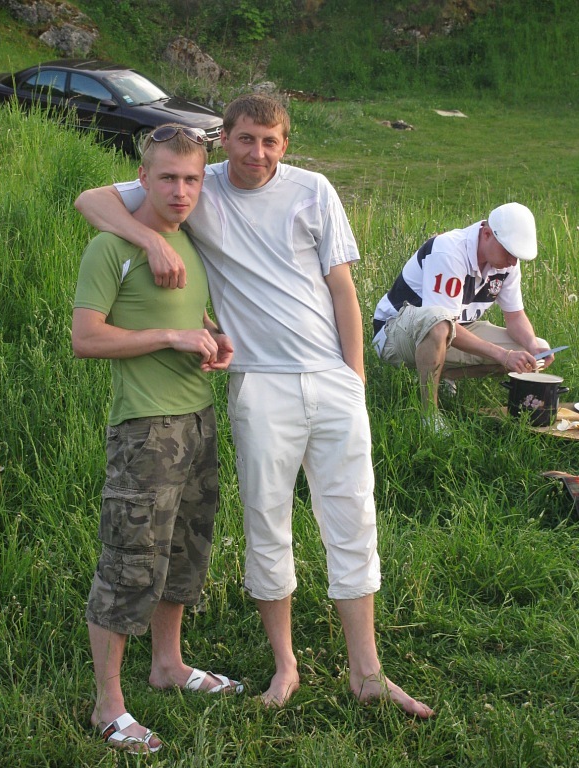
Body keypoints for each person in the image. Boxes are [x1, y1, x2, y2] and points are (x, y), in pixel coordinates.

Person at [75, 94, 434, 718]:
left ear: (285, 144)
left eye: (270, 141)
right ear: (225, 139)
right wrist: (151, 242)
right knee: (266, 523)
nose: (257, 153)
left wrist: (353, 378)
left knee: (354, 517)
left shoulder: (313, 190)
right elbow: (90, 200)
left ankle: (367, 670)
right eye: (245, 139)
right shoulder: (198, 185)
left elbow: (342, 289)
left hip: (330, 378)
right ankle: (284, 665)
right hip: (261, 385)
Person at [72, 124, 241, 755]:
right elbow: (86, 338)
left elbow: (182, 316)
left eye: (192, 179)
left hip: (197, 420)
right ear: (141, 177)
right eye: (167, 177)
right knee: (129, 562)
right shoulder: (111, 247)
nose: (180, 191)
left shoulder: (189, 241)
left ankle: (168, 665)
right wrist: (169, 338)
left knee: (184, 553)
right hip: (145, 429)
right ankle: (107, 706)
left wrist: (209, 335)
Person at [372, 202, 552, 427]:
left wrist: (533, 347)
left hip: (451, 331)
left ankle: (444, 376)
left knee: (531, 352)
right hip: (394, 333)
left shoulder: (507, 263)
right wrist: (503, 355)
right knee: (440, 323)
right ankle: (429, 417)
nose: (513, 262)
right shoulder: (448, 251)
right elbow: (440, 322)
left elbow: (515, 317)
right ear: (487, 234)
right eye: (509, 252)